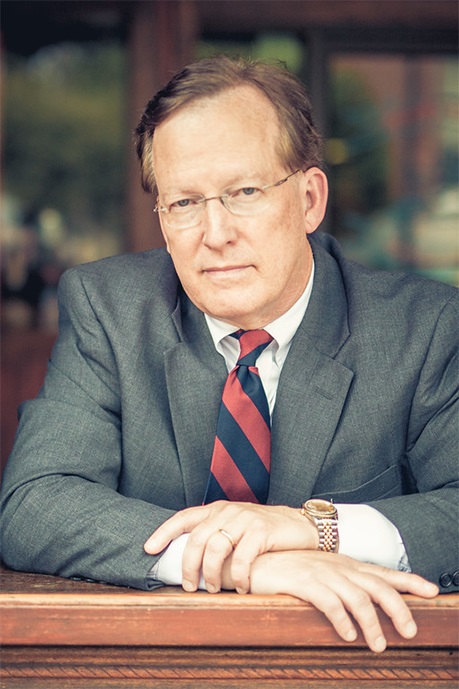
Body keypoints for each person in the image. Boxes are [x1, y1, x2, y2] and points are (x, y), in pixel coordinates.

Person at [0, 56, 457, 654]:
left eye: (244, 192)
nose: (215, 234)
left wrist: (311, 529)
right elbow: (35, 503)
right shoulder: (110, 310)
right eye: (184, 203)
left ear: (310, 199)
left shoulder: (424, 329)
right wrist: (251, 564)